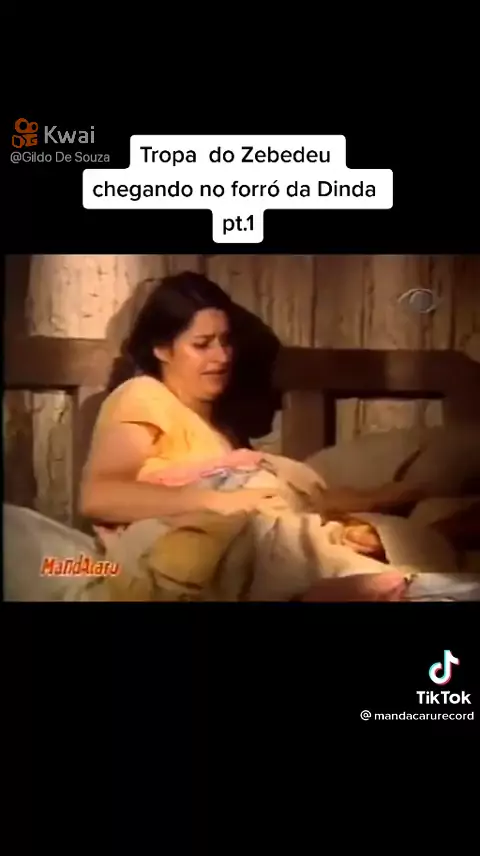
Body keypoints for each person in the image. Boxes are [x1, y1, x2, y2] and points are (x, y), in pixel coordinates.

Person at [79, 271, 412, 601]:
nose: (222, 357)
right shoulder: (143, 395)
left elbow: (291, 497)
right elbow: (99, 497)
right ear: (163, 350)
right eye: (202, 345)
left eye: (226, 341)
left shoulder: (223, 431)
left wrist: (394, 496)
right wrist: (220, 502)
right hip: (186, 551)